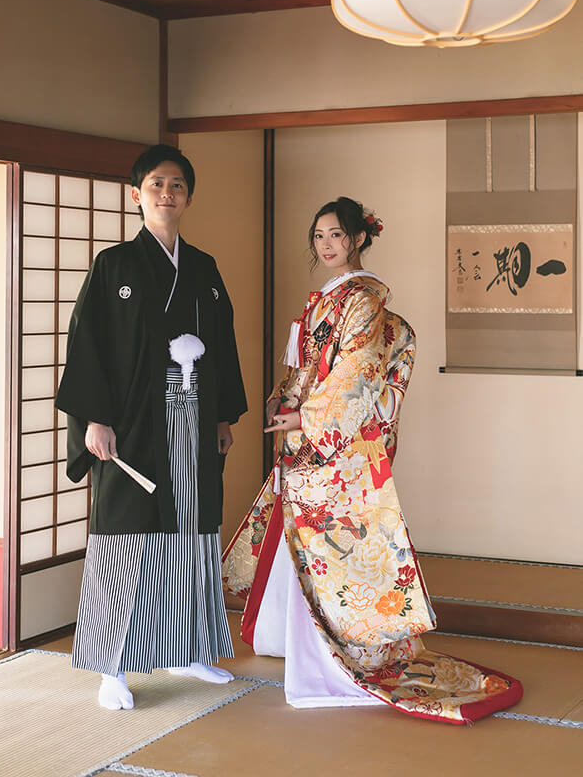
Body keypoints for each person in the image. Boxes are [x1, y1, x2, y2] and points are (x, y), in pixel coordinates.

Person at [222, 197, 522, 724]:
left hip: (336, 448)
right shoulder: (323, 301)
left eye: (337, 235)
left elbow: (355, 376)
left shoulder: (362, 301)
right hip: (308, 437)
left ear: (358, 238)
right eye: (319, 236)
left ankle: (347, 653)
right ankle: (302, 642)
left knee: (334, 548)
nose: (327, 245)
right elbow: (307, 367)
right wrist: (282, 397)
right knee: (305, 546)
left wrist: (306, 417)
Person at [56, 144, 247, 710]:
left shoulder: (205, 268)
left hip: (189, 421)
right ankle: (111, 666)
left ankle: (187, 648)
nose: (168, 193)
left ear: (188, 197)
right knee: (126, 538)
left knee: (190, 536)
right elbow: (88, 346)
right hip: (133, 427)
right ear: (137, 194)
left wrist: (220, 416)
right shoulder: (113, 266)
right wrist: (94, 419)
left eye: (178, 186)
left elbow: (224, 346)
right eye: (157, 184)